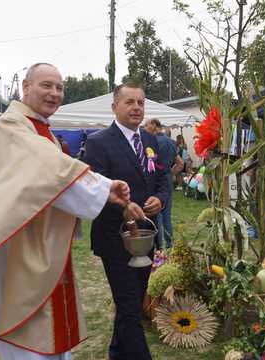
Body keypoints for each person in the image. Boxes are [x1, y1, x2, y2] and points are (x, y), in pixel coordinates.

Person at [0, 63, 134, 360]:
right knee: (27, 324)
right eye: (47, 85)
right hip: (17, 243)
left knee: (50, 320)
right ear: (26, 88)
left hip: (41, 238)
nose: (54, 93)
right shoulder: (12, 125)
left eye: (59, 88)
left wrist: (101, 187)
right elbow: (47, 168)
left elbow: (51, 175)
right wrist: (102, 188)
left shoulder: (38, 128)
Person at [84, 83, 168, 360]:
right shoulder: (98, 142)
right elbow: (93, 189)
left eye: (141, 103)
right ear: (114, 107)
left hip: (146, 238)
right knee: (130, 305)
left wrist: (160, 198)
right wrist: (122, 208)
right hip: (115, 238)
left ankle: (117, 353)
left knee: (132, 301)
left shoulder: (150, 140)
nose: (136, 108)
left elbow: (161, 180)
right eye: (129, 102)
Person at [144, 118, 182, 249]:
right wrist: (170, 173)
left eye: (146, 125)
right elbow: (180, 163)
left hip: (155, 180)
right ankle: (170, 244)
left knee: (157, 215)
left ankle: (159, 246)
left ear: (154, 125)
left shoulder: (152, 142)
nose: (145, 128)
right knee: (167, 215)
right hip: (167, 180)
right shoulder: (172, 142)